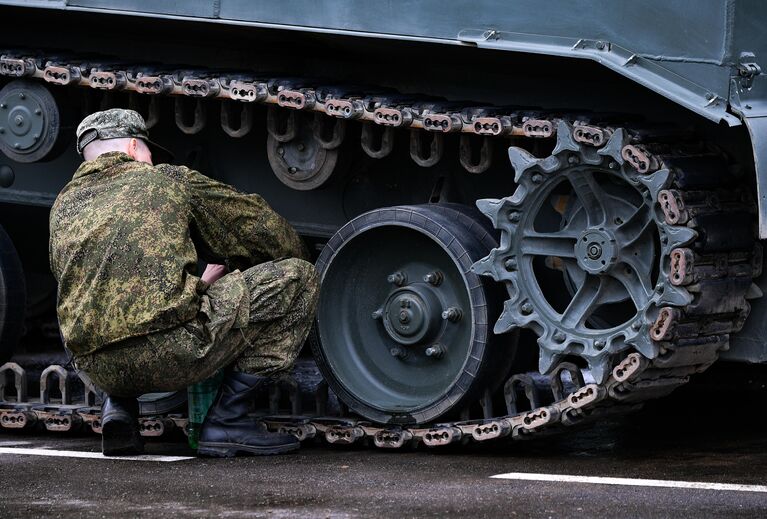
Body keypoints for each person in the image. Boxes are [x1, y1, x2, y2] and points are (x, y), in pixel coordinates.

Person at [49, 108, 319, 457]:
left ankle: (118, 408)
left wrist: (197, 286)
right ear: (133, 147)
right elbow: (255, 228)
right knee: (298, 277)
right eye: (148, 152)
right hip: (173, 353)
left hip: (96, 368)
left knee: (94, 297)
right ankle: (227, 420)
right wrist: (294, 252)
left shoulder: (63, 207)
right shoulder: (166, 180)